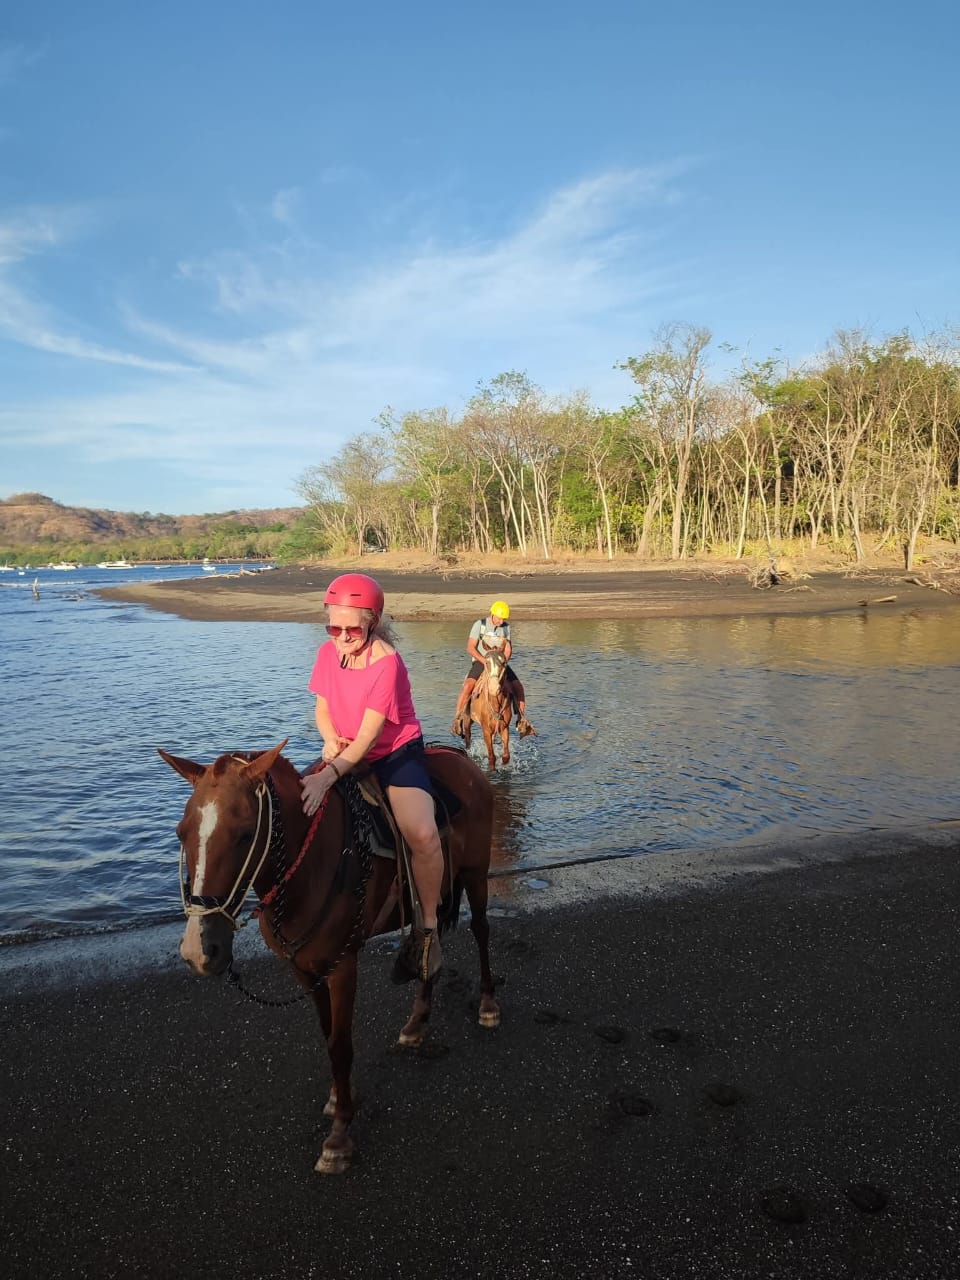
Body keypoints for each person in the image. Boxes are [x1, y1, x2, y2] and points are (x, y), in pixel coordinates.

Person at [300, 572, 442, 983]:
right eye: (333, 626)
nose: (342, 636)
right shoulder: (329, 653)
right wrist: (329, 742)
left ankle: (427, 928)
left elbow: (371, 734)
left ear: (372, 622)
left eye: (352, 627)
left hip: (393, 753)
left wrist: (330, 775)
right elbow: (323, 708)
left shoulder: (387, 663)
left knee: (422, 834)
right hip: (344, 749)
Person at [451, 599, 535, 738]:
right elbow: (470, 648)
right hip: (481, 661)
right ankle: (458, 719)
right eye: (499, 618)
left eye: (503, 619)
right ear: (492, 614)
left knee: (518, 687)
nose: (501, 621)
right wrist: (485, 661)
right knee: (467, 686)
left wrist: (503, 662)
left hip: (499, 664)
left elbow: (508, 649)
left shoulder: (506, 628)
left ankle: (521, 720)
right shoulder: (480, 625)